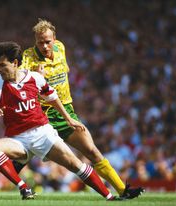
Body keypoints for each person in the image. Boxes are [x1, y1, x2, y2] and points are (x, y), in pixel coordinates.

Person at [16, 19, 144, 199]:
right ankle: (12, 174)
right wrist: (35, 77)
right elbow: (18, 82)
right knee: (24, 154)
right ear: (35, 41)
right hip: (41, 115)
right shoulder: (28, 58)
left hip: (65, 112)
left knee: (92, 151)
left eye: (47, 41)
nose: (44, 46)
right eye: (39, 42)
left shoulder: (60, 48)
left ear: (55, 38)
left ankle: (123, 190)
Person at [0, 41, 121, 200]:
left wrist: (69, 119)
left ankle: (110, 197)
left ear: (15, 63)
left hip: (43, 134)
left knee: (76, 165)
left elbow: (53, 98)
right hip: (18, 140)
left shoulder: (34, 78)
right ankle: (24, 188)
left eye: (2, 65)